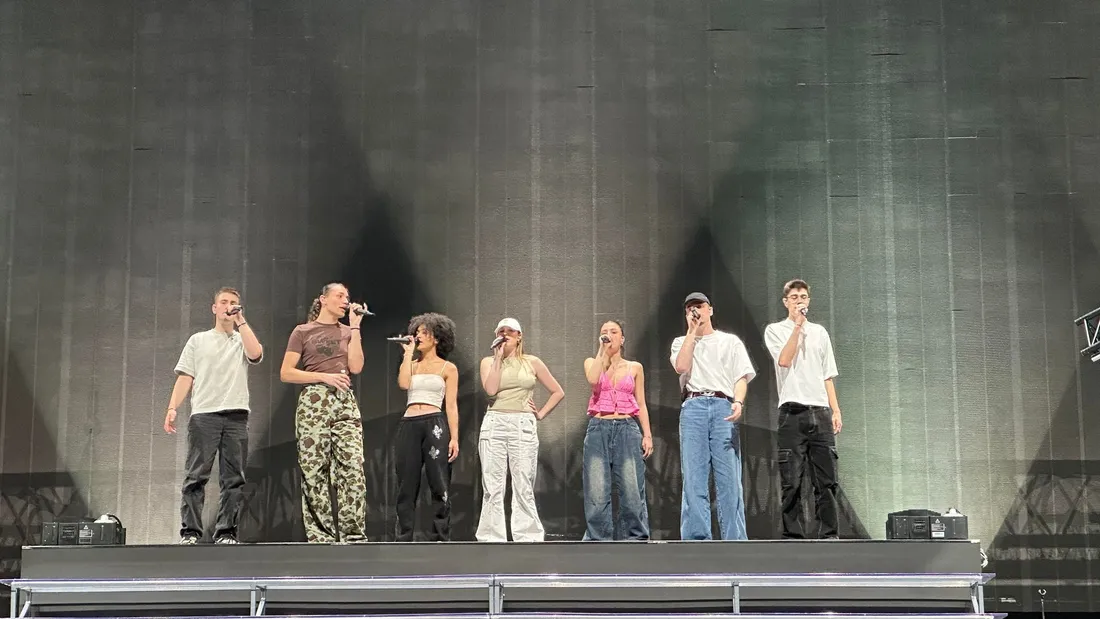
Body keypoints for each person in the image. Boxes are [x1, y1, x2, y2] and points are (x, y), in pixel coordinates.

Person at [165, 287, 264, 545]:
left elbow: (256, 354)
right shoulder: (198, 340)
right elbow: (186, 376)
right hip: (204, 415)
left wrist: (241, 322)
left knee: (233, 478)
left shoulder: (242, 338)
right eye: (224, 302)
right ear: (214, 308)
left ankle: (226, 533)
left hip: (236, 415)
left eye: (233, 303)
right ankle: (190, 532)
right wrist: (172, 407)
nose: (229, 306)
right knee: (196, 475)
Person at [279, 282, 367, 543]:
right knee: (314, 470)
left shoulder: (348, 331)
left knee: (352, 467)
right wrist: (323, 377)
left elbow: (357, 366)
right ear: (323, 299)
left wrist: (356, 326)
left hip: (344, 401)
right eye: (339, 296)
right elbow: (286, 372)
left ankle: (353, 537)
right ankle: (321, 537)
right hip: (314, 401)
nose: (345, 300)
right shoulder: (303, 331)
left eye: (347, 297)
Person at [670, 292, 756, 541]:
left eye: (699, 306)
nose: (695, 311)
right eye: (689, 309)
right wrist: (691, 333)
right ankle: (697, 541)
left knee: (729, 479)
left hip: (722, 405)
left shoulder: (730, 342)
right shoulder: (680, 342)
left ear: (710, 310)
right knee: (694, 478)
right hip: (693, 405)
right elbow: (681, 367)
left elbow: (740, 377)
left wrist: (738, 401)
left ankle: (735, 541)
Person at [764, 279, 842, 539]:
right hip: (792, 413)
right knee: (792, 481)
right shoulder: (775, 330)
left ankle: (828, 535)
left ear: (809, 300)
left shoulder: (820, 332)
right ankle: (793, 537)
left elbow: (827, 374)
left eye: (804, 297)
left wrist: (836, 409)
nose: (800, 301)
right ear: (786, 302)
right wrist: (797, 326)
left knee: (826, 480)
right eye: (794, 297)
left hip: (819, 411)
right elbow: (784, 360)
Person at [476, 318, 565, 542]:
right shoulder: (488, 361)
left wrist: (541, 413)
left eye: (509, 331)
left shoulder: (531, 362)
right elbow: (491, 389)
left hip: (522, 424)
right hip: (495, 422)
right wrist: (497, 358)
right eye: (500, 331)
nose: (504, 334)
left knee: (523, 482)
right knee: (493, 484)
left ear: (519, 336)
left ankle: (527, 537)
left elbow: (557, 391)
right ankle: (491, 537)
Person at [582, 320, 653, 541]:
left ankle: (635, 537)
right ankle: (598, 540)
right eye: (604, 332)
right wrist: (601, 351)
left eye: (614, 332)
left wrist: (647, 434)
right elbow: (593, 379)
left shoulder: (635, 367)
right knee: (596, 489)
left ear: (622, 339)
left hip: (627, 428)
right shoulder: (591, 362)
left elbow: (640, 403)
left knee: (632, 488)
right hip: (598, 428)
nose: (608, 335)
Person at [393, 312, 460, 541]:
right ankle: (403, 537)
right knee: (406, 483)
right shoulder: (411, 364)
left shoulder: (448, 368)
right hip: (409, 423)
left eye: (424, 332)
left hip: (435, 424)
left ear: (437, 338)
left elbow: (451, 405)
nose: (418, 336)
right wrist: (407, 354)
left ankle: (440, 537)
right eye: (417, 332)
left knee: (439, 482)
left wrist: (454, 437)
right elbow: (403, 384)